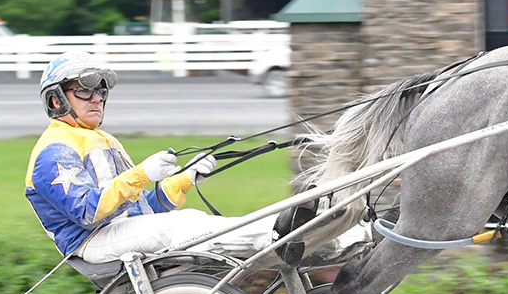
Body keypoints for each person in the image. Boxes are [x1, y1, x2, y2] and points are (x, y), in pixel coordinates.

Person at [24, 51, 366, 266]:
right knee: (182, 226)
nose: (96, 98)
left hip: (116, 232)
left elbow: (140, 211)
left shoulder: (103, 140)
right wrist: (142, 174)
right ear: (56, 100)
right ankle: (290, 239)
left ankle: (329, 236)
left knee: (190, 219)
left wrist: (182, 180)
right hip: (91, 243)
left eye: (100, 90)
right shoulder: (53, 150)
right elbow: (87, 212)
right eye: (84, 90)